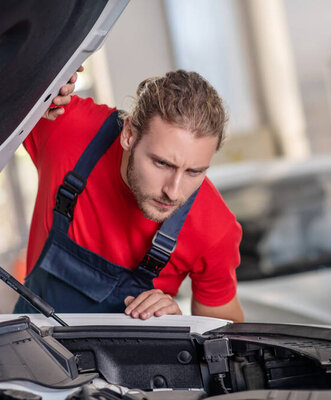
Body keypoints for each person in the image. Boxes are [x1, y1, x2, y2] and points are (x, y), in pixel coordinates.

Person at [13, 69, 244, 322]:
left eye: (194, 171)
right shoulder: (66, 130)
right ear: (129, 134)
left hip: (124, 360)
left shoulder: (214, 229)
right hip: (31, 349)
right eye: (162, 164)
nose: (173, 191)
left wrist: (179, 326)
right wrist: (38, 81)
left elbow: (225, 347)